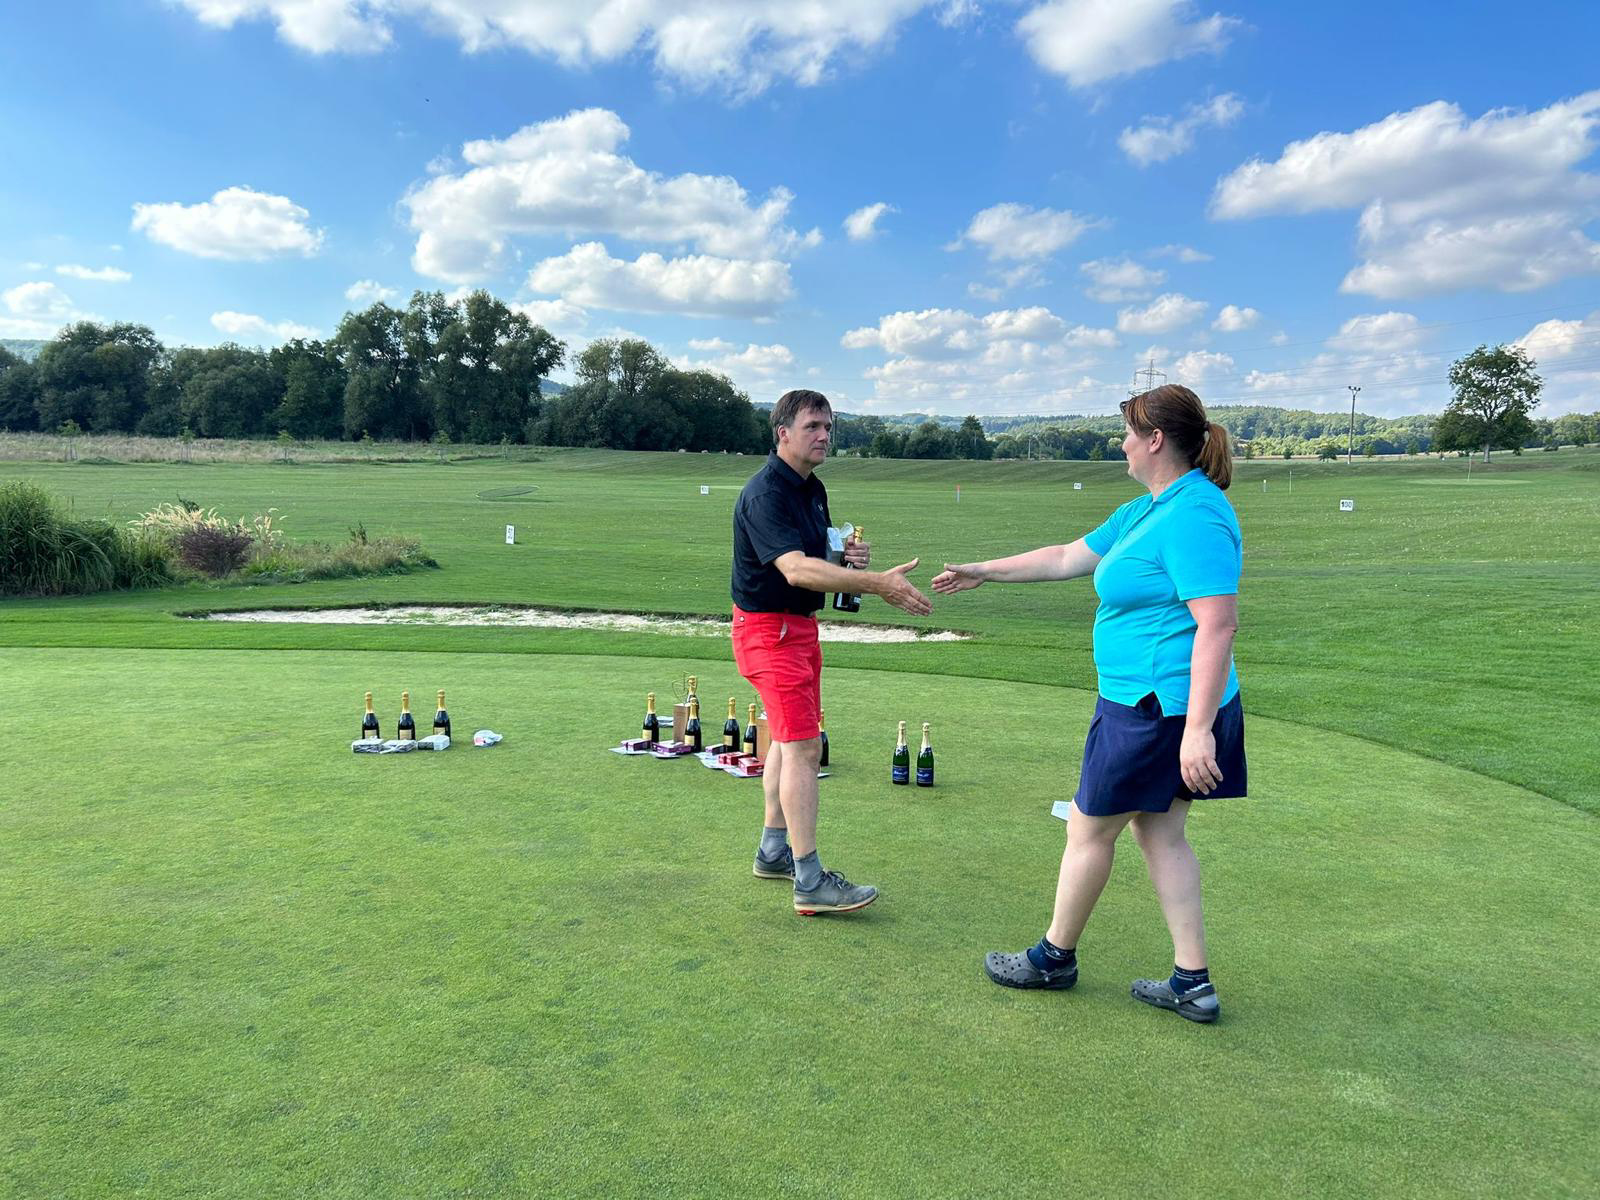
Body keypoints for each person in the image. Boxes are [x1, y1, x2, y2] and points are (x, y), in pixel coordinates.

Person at [932, 384, 1244, 1022]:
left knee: (1089, 828)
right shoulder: (1147, 510)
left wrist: (1197, 732)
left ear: (1155, 439)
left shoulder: (1194, 515)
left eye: (1129, 432)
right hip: (1150, 704)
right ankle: (1193, 982)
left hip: (1159, 709)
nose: (1121, 443)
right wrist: (983, 569)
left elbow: (1218, 624)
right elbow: (1066, 558)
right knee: (1160, 832)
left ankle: (1053, 958)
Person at [733, 389, 932, 916]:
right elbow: (796, 569)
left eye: (828, 427)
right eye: (813, 427)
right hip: (770, 631)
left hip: (797, 629)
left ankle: (773, 851)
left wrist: (847, 558)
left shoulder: (811, 488)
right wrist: (876, 582)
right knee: (803, 748)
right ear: (783, 433)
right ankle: (809, 880)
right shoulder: (765, 493)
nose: (824, 436)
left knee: (786, 741)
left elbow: (815, 555)